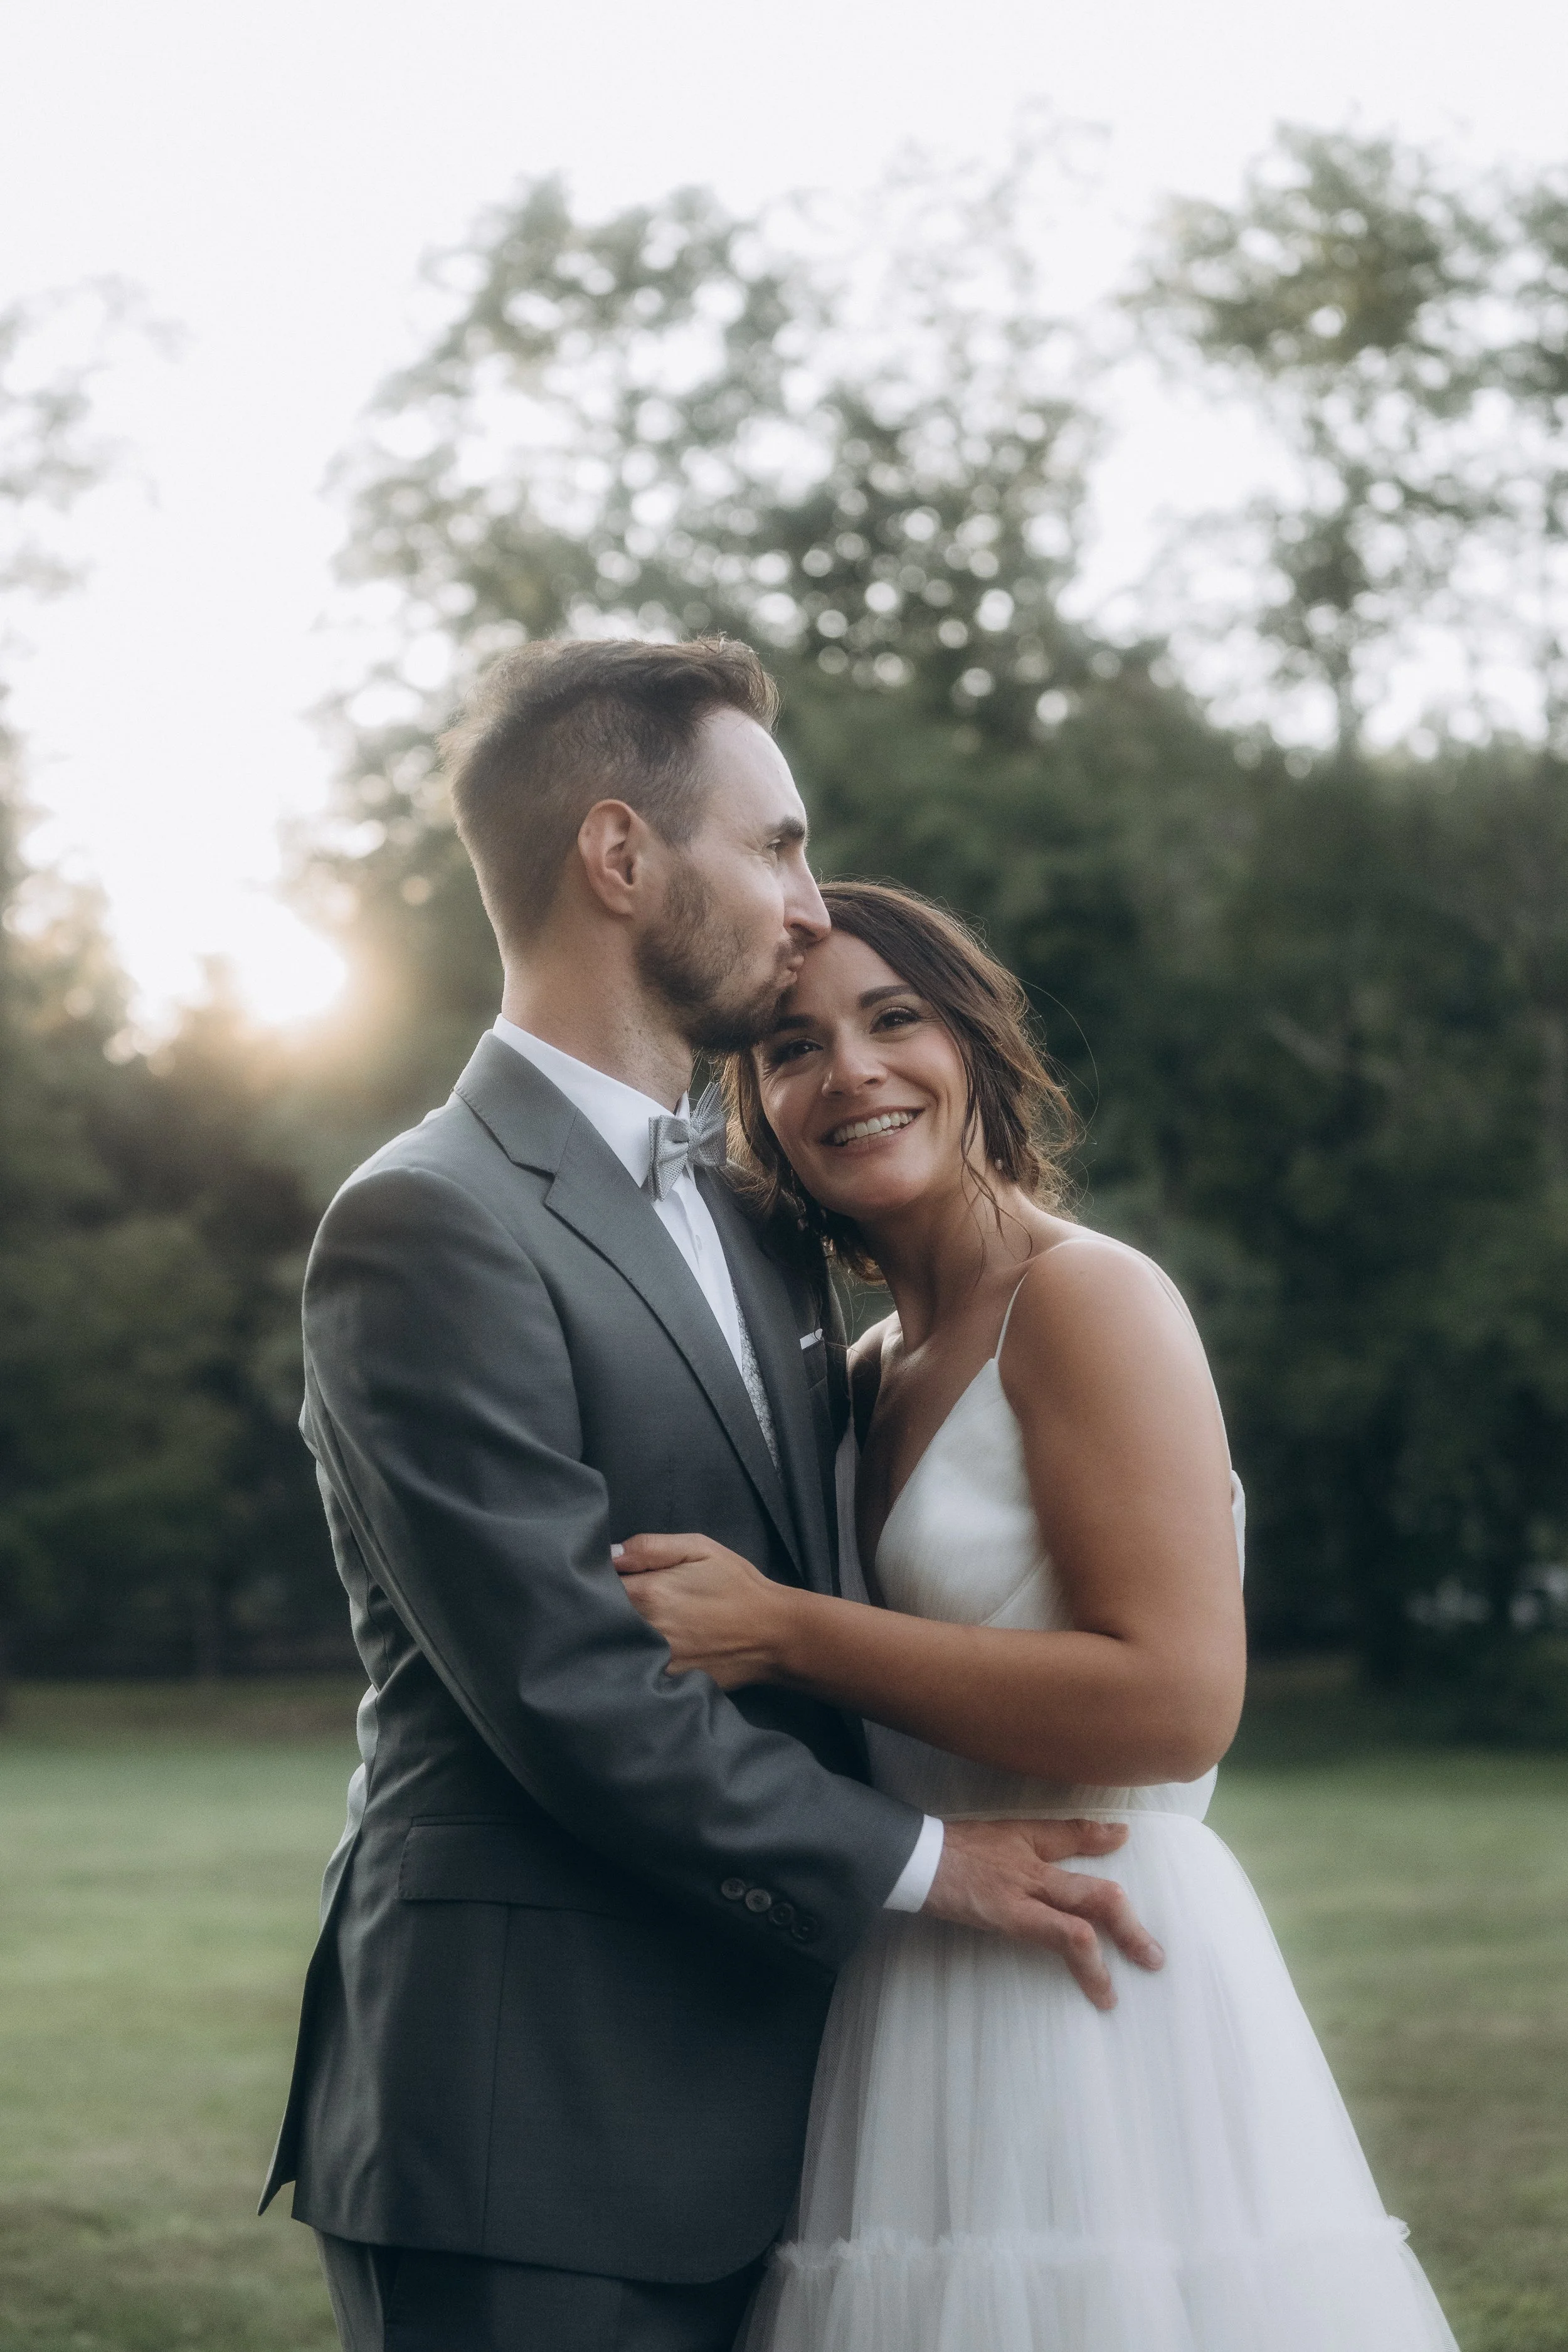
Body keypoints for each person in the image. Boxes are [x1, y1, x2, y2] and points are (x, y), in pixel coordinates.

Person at [260, 640, 1163, 2352]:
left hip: (793, 2105)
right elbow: (574, 1685)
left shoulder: (756, 1216)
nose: (810, 906)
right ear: (620, 855)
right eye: (776, 846)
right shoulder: (428, 1220)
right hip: (532, 2115)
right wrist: (924, 1861)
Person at [613, 879, 1461, 2352]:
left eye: (894, 1020)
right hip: (914, 1965)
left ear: (975, 1048)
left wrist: (786, 1629)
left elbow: (1175, 1700)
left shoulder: (1088, 1301)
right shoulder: (866, 1365)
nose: (852, 1072)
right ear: (757, 1103)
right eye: (792, 1048)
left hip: (1096, 1972)